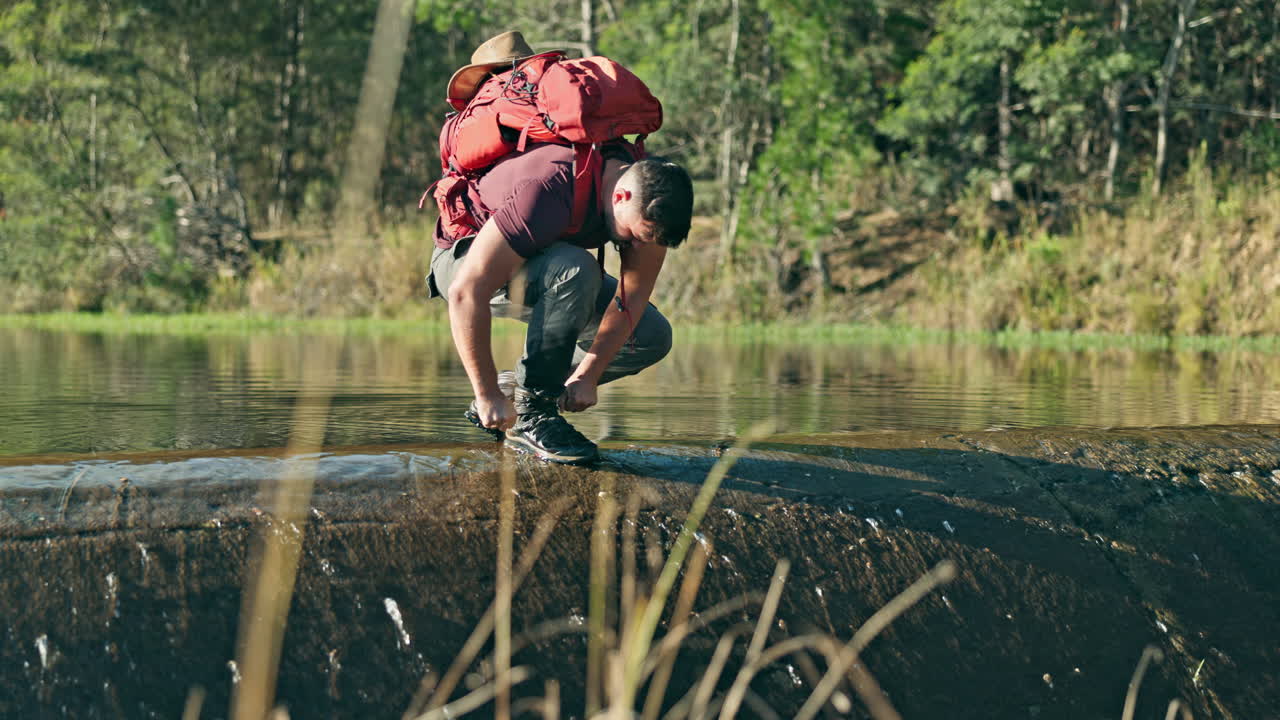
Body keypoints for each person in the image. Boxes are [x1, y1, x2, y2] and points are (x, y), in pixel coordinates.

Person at [427, 32, 693, 465]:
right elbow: (466, 291)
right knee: (575, 268)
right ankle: (533, 414)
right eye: (636, 235)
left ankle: (528, 393)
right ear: (622, 198)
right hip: (463, 259)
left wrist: (587, 375)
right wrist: (486, 392)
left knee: (650, 336)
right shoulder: (548, 185)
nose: (638, 245)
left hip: (545, 263)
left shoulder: (650, 203)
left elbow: (632, 300)